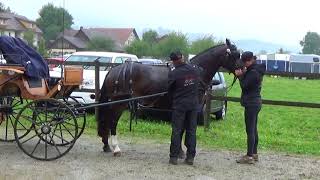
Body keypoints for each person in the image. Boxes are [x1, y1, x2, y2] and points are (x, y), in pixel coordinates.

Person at [167, 50, 200, 165]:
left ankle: (174, 157)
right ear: (182, 57)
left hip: (179, 105)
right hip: (193, 105)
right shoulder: (195, 70)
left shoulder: (174, 73)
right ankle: (190, 157)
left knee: (177, 130)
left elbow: (169, 90)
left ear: (174, 61)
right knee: (191, 131)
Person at [235, 51, 266, 164]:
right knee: (253, 129)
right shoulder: (256, 70)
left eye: (245, 62)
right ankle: (254, 153)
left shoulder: (253, 72)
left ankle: (249, 156)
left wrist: (240, 76)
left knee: (250, 130)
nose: (244, 64)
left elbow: (245, 86)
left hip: (251, 103)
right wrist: (244, 73)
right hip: (255, 102)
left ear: (250, 60)